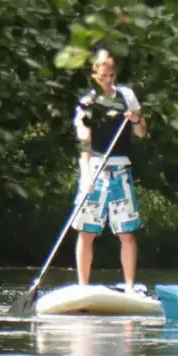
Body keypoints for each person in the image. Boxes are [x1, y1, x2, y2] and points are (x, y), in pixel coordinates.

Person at [71, 50, 148, 294]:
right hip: (95, 168)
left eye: (111, 75)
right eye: (103, 76)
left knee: (126, 233)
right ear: (95, 76)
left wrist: (136, 119)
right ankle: (83, 286)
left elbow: (141, 132)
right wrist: (86, 176)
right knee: (86, 231)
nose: (108, 80)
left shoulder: (127, 96)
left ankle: (129, 286)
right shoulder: (87, 103)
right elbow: (84, 141)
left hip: (121, 168)